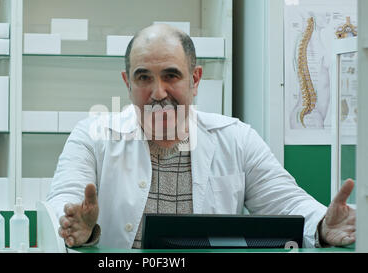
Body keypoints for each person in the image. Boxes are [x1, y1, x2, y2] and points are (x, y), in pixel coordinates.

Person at [47, 24, 356, 249]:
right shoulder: (92, 135)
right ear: (127, 82)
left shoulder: (236, 138)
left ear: (195, 80)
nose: (158, 92)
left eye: (171, 76)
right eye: (143, 78)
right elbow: (64, 203)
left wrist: (323, 225)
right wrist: (81, 229)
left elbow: (287, 202)